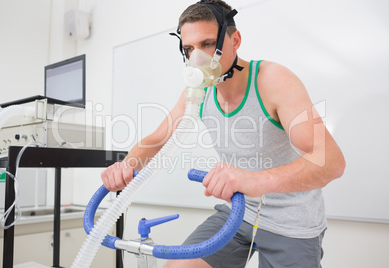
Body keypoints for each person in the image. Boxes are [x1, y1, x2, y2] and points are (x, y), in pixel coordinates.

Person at [101, 0, 346, 267]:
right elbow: (158, 139)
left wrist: (257, 180)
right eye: (189, 49)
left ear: (235, 40)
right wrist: (127, 166)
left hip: (292, 223)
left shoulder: (273, 80)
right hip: (239, 212)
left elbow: (331, 161)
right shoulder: (199, 92)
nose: (198, 59)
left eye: (207, 44)